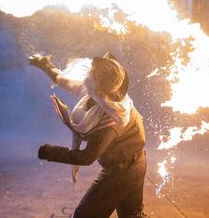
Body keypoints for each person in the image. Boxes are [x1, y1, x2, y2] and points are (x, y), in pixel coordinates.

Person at [30, 53, 147, 218]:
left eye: (91, 73)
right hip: (132, 163)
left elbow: (87, 157)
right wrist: (45, 65)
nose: (88, 74)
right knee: (132, 216)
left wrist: (47, 151)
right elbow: (66, 81)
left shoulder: (113, 118)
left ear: (99, 87)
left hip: (122, 170)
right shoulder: (102, 94)